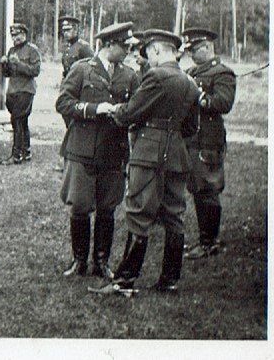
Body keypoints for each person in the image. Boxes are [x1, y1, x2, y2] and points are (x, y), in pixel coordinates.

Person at [90, 29, 200, 296]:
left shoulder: (156, 76)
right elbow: (191, 127)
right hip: (177, 155)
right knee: (174, 215)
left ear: (157, 50)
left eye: (148, 53)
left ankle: (124, 281)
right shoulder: (190, 82)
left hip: (149, 153)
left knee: (139, 212)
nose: (148, 59)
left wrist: (116, 110)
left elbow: (130, 113)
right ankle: (169, 280)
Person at [55, 22, 140, 279]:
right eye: (124, 46)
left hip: (113, 150)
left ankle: (101, 262)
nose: (128, 51)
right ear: (109, 45)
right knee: (80, 206)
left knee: (107, 207)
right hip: (82, 148)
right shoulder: (82, 69)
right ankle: (79, 261)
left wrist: (123, 115)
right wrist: (94, 109)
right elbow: (63, 103)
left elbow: (136, 109)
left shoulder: (130, 75)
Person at [181, 28, 236, 259]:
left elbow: (223, 103)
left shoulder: (222, 73)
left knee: (208, 190)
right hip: (193, 139)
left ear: (207, 47)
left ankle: (209, 242)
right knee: (197, 187)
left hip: (208, 140)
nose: (191, 54)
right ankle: (205, 239)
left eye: (194, 50)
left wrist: (199, 97)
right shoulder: (193, 71)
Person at [55, 16, 94, 172]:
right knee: (68, 123)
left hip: (80, 90)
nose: (65, 33)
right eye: (63, 30)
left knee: (75, 124)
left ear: (77, 30)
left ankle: (73, 159)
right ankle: (69, 158)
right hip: (68, 87)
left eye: (69, 30)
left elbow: (92, 68)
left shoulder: (84, 47)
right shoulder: (68, 48)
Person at [0, 22, 41, 164]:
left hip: (26, 90)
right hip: (13, 90)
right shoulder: (11, 50)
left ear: (24, 34)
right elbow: (7, 74)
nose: (14, 38)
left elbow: (35, 71)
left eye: (17, 35)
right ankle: (26, 151)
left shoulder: (32, 50)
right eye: (12, 35)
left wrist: (19, 63)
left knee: (17, 120)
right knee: (21, 122)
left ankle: (16, 155)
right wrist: (4, 64)